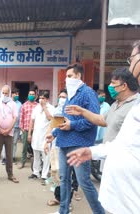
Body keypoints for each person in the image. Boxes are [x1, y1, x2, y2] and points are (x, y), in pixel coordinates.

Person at [66, 45, 140, 213]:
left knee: (84, 182)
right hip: (114, 180)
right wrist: (83, 112)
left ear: (124, 86)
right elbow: (102, 121)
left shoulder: (134, 105)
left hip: (131, 190)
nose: (110, 87)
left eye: (132, 58)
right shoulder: (117, 104)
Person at [46, 63, 104, 214]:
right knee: (64, 179)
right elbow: (64, 119)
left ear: (78, 76)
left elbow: (94, 120)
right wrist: (54, 133)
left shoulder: (88, 93)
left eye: (70, 76)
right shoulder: (70, 96)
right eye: (66, 76)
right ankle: (63, 210)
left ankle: (99, 212)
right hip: (64, 143)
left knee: (84, 182)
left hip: (79, 144)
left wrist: (72, 125)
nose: (67, 79)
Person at [0, 85, 19, 183]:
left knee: (9, 155)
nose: (5, 94)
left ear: (9, 93)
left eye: (6, 93)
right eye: (3, 92)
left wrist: (8, 129)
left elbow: (15, 118)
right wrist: (1, 129)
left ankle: (10, 174)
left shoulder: (13, 104)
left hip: (9, 133)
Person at [28, 91, 54, 184]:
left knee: (45, 156)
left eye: (43, 98)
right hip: (36, 135)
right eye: (40, 98)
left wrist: (44, 107)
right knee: (36, 154)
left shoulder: (51, 108)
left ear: (47, 99)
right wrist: (29, 134)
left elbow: (50, 118)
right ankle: (35, 172)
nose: (41, 100)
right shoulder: (36, 108)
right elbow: (32, 120)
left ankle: (44, 174)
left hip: (45, 136)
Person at [18, 88, 38, 168]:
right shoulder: (24, 105)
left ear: (35, 96)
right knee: (24, 147)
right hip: (26, 129)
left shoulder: (38, 106)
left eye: (33, 94)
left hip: (36, 130)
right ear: (28, 95)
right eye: (30, 94)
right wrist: (22, 128)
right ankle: (22, 162)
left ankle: (35, 164)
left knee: (35, 147)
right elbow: (21, 117)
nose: (31, 96)